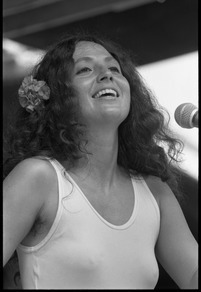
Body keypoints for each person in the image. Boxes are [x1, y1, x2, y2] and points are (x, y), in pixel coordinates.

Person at [3, 32, 198, 289]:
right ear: (58, 98)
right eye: (85, 69)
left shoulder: (154, 192)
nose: (107, 75)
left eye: (114, 68)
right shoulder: (38, 178)